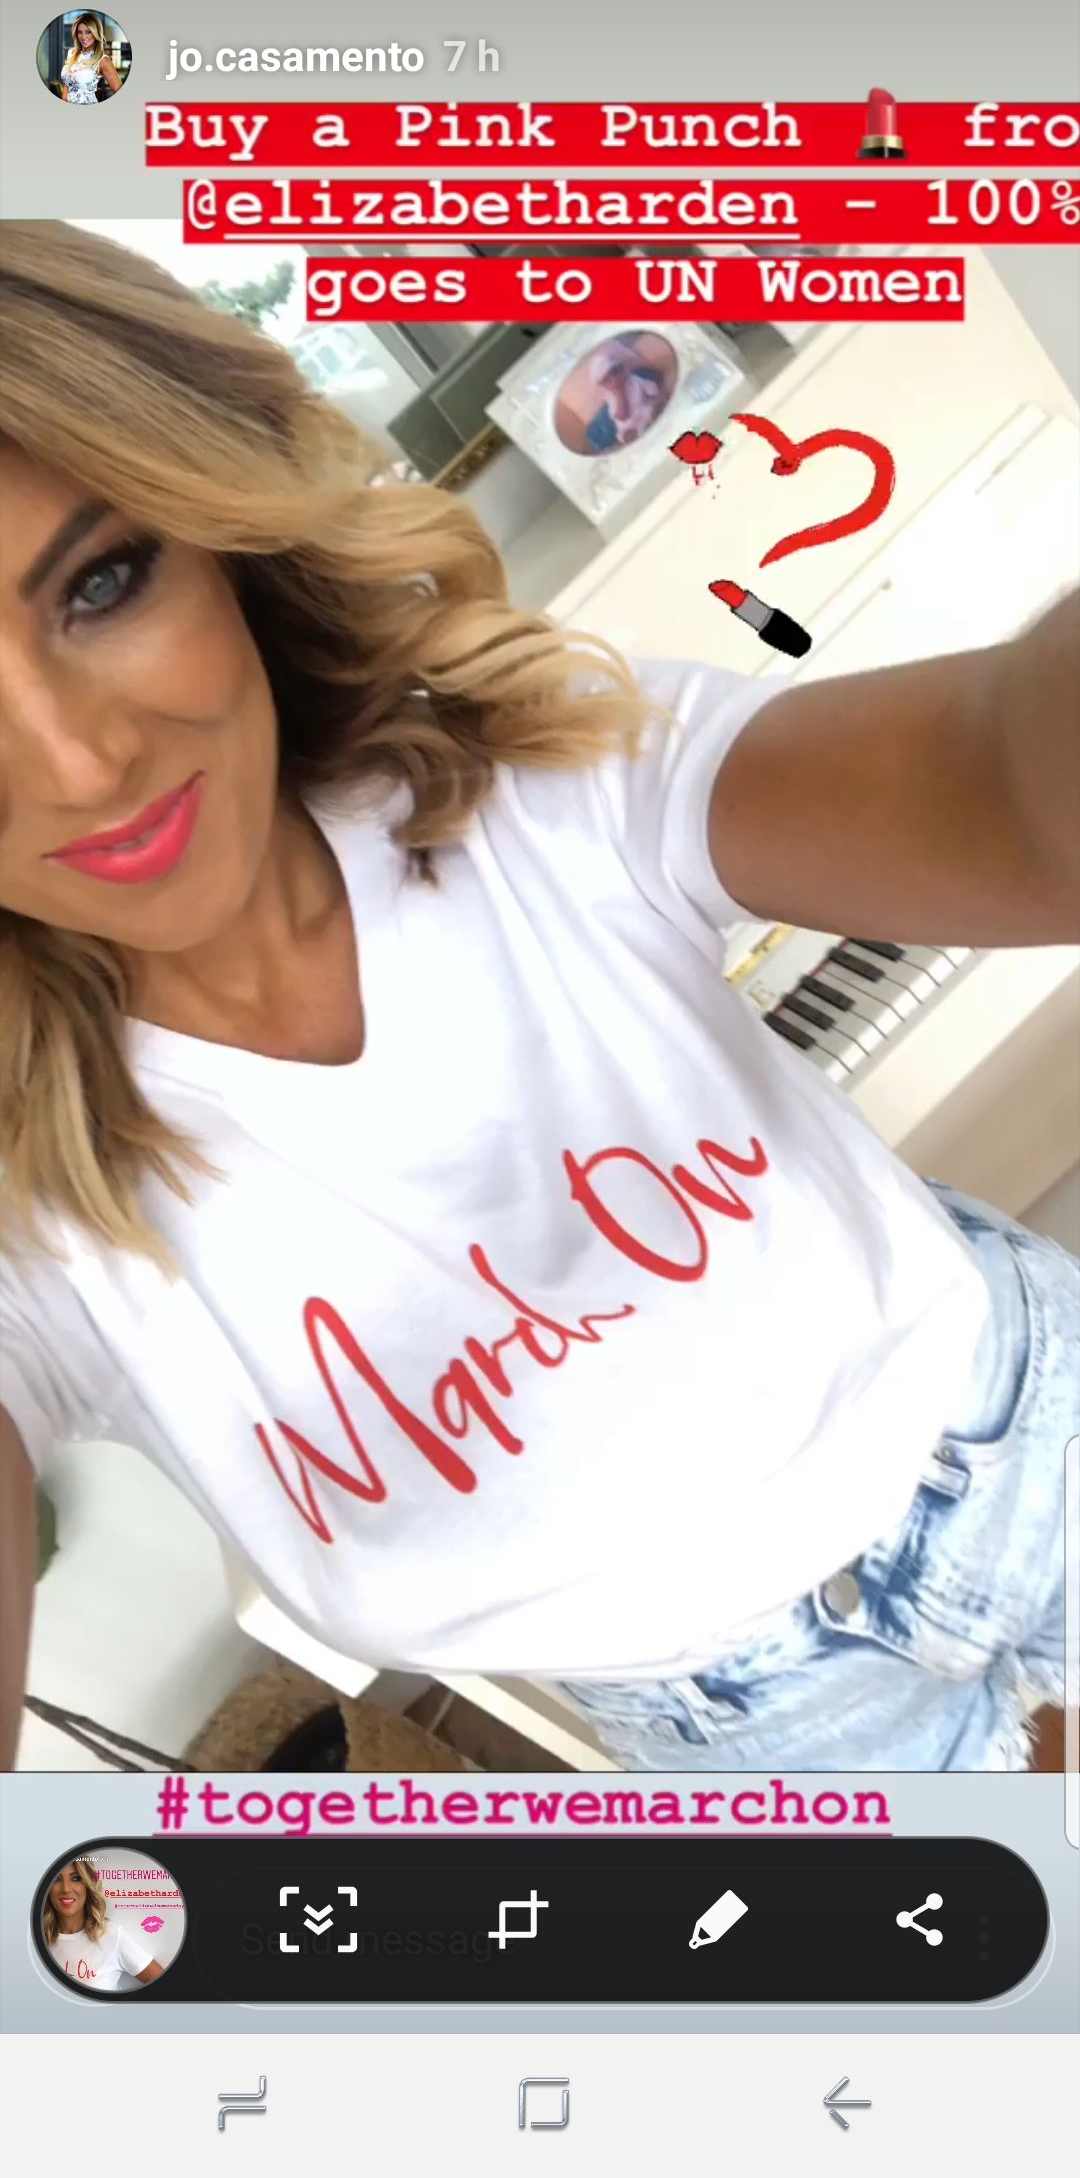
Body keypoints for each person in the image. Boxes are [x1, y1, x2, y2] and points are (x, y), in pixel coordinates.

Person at [0, 222, 1077, 1778]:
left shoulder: (530, 781)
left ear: (221, 531)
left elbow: (1001, 788)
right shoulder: (30, 1221)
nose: (80, 763)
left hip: (1025, 1429)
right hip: (759, 1734)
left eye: (102, 581)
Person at [43, 1860, 165, 1988]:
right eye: (56, 1879)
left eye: (76, 1878)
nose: (66, 1889)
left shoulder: (113, 1936)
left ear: (88, 1885)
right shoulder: (36, 1941)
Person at [584, 344, 666, 453]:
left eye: (615, 372)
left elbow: (652, 389)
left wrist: (656, 397)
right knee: (627, 436)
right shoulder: (611, 397)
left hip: (644, 411)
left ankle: (652, 428)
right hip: (628, 425)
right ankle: (639, 444)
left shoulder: (634, 380)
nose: (614, 380)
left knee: (656, 407)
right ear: (604, 386)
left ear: (622, 369)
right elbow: (621, 416)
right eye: (608, 380)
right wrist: (620, 394)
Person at [59, 13, 121, 105]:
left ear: (96, 33)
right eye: (80, 32)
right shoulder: (72, 53)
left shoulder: (103, 60)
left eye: (88, 32)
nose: (83, 37)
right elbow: (67, 84)